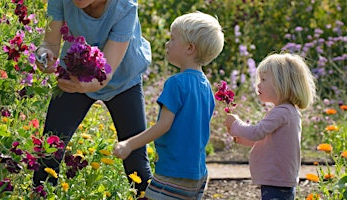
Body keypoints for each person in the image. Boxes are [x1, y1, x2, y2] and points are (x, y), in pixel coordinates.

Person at [33, 0, 152, 195]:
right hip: (74, 74)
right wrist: (44, 56)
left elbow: (105, 72)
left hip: (123, 80)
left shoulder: (125, 5)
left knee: (136, 163)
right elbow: (50, 43)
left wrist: (83, 85)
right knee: (49, 152)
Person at [113, 11, 225, 199]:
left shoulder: (176, 83)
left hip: (173, 172)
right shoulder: (206, 87)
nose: (167, 44)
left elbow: (164, 126)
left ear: (190, 48)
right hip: (197, 173)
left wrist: (129, 144)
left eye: (173, 39)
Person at [225, 53, 317, 200]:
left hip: (277, 179)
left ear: (282, 83)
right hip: (279, 178)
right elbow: (271, 140)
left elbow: (257, 132)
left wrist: (236, 124)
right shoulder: (287, 111)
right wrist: (242, 139)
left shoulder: (282, 112)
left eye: (263, 79)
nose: (258, 84)